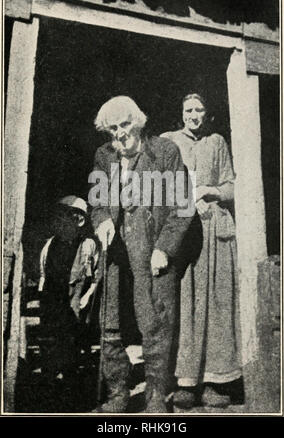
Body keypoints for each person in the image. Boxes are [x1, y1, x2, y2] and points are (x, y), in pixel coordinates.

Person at [89, 96, 192, 413]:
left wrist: (165, 247)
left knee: (157, 323)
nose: (119, 133)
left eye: (124, 125)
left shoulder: (164, 151)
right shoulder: (104, 156)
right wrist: (103, 220)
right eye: (112, 129)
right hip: (118, 251)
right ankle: (118, 393)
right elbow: (97, 201)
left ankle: (156, 396)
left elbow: (183, 207)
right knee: (111, 324)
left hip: (153, 249)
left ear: (139, 121)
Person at [161, 93, 241, 409]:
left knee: (215, 303)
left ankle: (214, 381)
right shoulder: (168, 142)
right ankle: (184, 381)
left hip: (213, 236)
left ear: (207, 114)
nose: (194, 115)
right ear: (180, 114)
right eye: (188, 110)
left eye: (200, 110)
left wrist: (209, 190)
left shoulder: (217, 141)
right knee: (183, 303)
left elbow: (232, 186)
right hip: (181, 232)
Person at [38, 195, 99, 382]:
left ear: (79, 220)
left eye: (67, 216)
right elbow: (43, 276)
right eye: (59, 216)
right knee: (53, 336)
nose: (61, 222)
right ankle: (51, 374)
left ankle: (70, 375)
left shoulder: (88, 245)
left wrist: (87, 297)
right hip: (55, 300)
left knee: (72, 337)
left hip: (78, 301)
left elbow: (96, 277)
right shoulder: (50, 245)